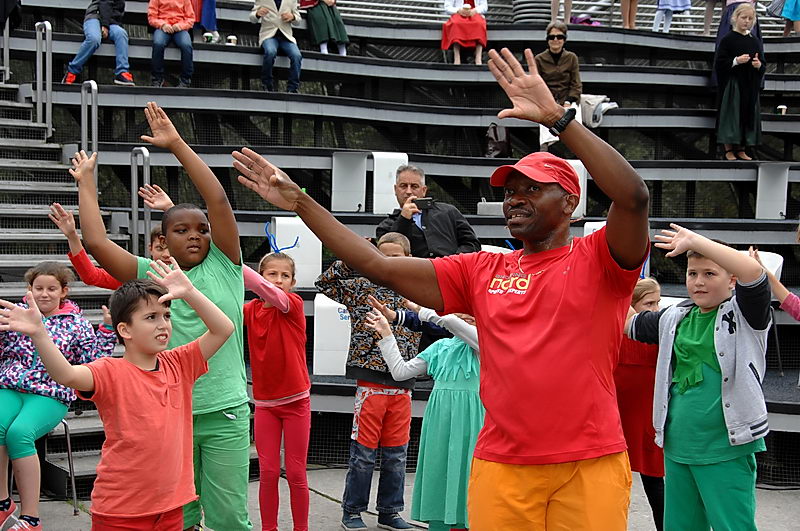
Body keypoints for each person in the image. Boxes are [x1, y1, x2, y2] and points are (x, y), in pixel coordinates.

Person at [233, 46, 650, 530]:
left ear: (570, 202)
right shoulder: (482, 269)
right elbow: (376, 265)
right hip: (503, 463)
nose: (515, 199)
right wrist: (301, 203)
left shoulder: (599, 258)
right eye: (510, 191)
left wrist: (559, 119)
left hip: (589, 460)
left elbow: (633, 196)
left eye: (532, 189)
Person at [73, 102, 252, 531]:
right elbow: (96, 243)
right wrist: (86, 184)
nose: (195, 235)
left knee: (229, 517)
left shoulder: (226, 263)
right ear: (164, 239)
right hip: (169, 414)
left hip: (224, 410)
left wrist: (176, 144)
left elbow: (218, 198)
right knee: (179, 515)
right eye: (181, 230)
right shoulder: (151, 272)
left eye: (202, 229)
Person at [0, 261, 234, 529]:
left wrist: (190, 292)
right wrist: (40, 334)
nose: (163, 324)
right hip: (120, 512)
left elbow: (223, 329)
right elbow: (66, 375)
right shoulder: (109, 371)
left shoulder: (180, 363)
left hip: (171, 509)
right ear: (124, 330)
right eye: (151, 317)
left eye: (166, 316)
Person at [626, 226, 769, 530]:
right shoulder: (674, 317)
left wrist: (695, 241)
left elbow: (754, 273)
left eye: (709, 273)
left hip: (725, 450)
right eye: (692, 274)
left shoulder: (745, 315)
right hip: (677, 449)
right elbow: (627, 322)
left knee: (733, 526)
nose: (698, 281)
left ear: (732, 279)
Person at [314, 232, 420, 531]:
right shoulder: (361, 286)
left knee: (397, 455)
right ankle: (352, 510)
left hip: (403, 384)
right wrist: (352, 259)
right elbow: (324, 283)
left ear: (409, 258)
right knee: (363, 454)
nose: (388, 262)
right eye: (382, 256)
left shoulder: (417, 290)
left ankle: (389, 512)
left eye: (395, 256)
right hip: (370, 386)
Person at [0, 262, 116, 530]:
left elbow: (94, 362)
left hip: (50, 393)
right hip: (10, 386)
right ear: (29, 289)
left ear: (64, 291)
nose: (44, 294)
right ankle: (3, 504)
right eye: (38, 288)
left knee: (19, 433)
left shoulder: (76, 324)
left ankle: (31, 518)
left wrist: (108, 330)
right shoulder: (15, 314)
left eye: (51, 289)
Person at [367, 305, 482, 531]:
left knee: (469, 473)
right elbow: (400, 372)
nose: (467, 317)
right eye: (462, 311)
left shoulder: (485, 345)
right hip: (440, 422)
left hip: (472, 422)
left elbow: (452, 323)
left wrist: (419, 308)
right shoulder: (440, 347)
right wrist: (387, 335)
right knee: (439, 471)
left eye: (472, 312)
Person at [245, 252, 311, 531]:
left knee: (296, 473)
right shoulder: (250, 310)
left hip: (296, 403)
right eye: (272, 274)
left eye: (285, 276)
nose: (279, 280)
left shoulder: (292, 304)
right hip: (265, 405)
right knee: (268, 472)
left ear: (293, 283)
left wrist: (233, 260)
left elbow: (271, 294)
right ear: (262, 276)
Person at [614, 277, 664, 531]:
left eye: (658, 303)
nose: (656, 309)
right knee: (612, 486)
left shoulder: (660, 334)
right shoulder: (613, 333)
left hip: (648, 417)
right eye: (649, 303)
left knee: (655, 482)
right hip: (617, 415)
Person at [49, 202, 170, 291]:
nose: (166, 255)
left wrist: (169, 207)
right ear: (150, 249)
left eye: (172, 249)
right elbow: (92, 276)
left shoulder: (183, 271)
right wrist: (72, 237)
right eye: (159, 248)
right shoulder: (138, 272)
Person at [375, 165, 480, 259]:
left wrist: (453, 261)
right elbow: (389, 255)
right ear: (395, 189)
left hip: (450, 269)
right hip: (413, 272)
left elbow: (472, 243)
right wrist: (403, 220)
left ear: (424, 190)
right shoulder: (386, 226)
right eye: (403, 186)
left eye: (414, 186)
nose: (408, 191)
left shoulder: (449, 212)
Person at [714, 2, 764, 161]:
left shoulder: (754, 41)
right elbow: (720, 63)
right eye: (744, 18)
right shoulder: (728, 39)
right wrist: (736, 61)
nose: (746, 21)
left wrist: (758, 65)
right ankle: (728, 149)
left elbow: (762, 62)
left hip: (749, 85)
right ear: (736, 18)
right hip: (733, 85)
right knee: (732, 116)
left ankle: (742, 148)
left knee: (746, 114)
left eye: (750, 18)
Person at [63, 0, 134, 86]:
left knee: (121, 34)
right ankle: (72, 71)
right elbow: (104, 3)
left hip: (111, 21)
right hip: (95, 16)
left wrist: (108, 24)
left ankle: (122, 72)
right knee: (94, 39)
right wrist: (105, 25)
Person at [251, 0, 303, 93]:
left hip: (286, 37)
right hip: (268, 35)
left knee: (297, 56)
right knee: (270, 52)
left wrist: (293, 17)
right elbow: (252, 18)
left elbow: (298, 20)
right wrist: (257, 14)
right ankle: (266, 84)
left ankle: (293, 88)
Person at [148, 0, 195, 88]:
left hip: (180, 29)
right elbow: (152, 17)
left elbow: (190, 18)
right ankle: (157, 79)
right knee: (158, 44)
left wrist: (180, 26)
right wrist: (162, 25)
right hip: (163, 28)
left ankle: (185, 80)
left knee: (186, 45)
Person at [534, 21, 582, 107]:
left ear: (564, 39)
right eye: (552, 37)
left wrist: (569, 101)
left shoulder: (572, 57)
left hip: (568, 103)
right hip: (546, 103)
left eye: (559, 37)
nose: (555, 40)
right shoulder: (539, 59)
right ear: (548, 40)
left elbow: (576, 84)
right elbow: (536, 84)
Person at [441, 0, 487, 65]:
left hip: (474, 14)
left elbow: (484, 6)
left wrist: (475, 10)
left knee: (479, 23)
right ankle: (457, 58)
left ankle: (478, 58)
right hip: (458, 14)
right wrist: (458, 10)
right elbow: (447, 7)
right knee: (456, 23)